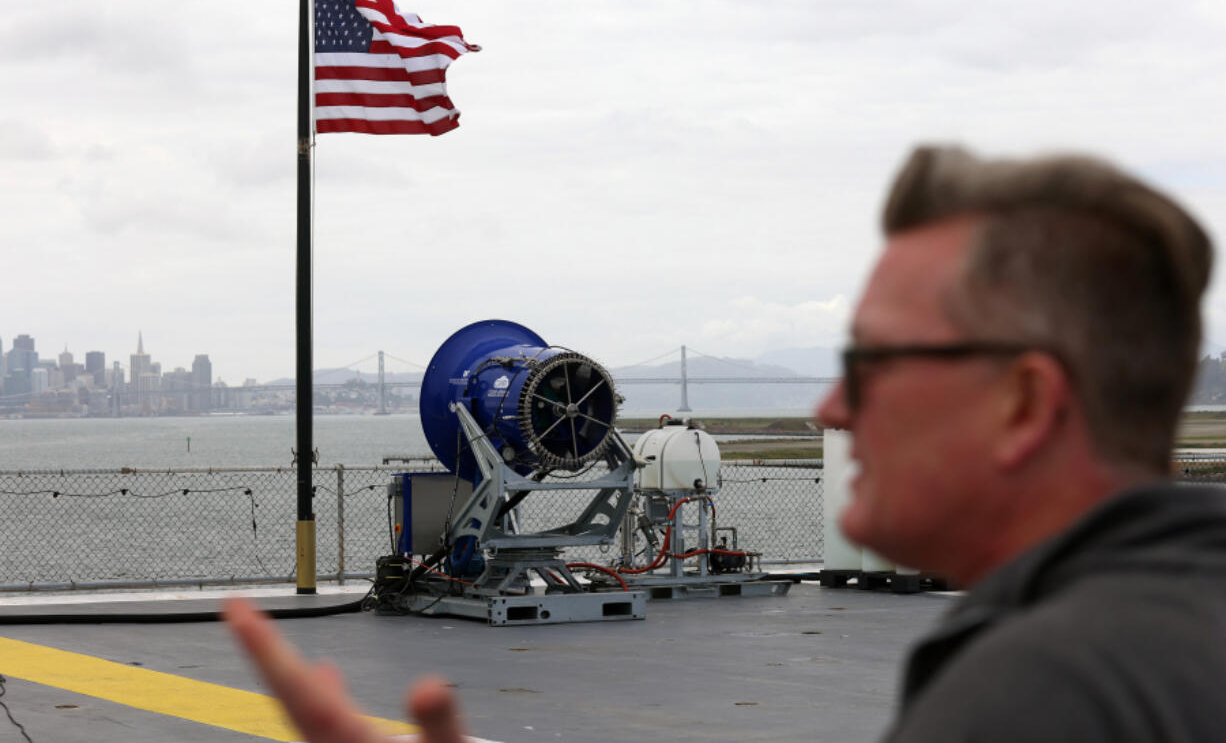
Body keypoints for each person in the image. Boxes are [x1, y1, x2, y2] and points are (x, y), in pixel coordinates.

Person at [226, 144, 1226, 742]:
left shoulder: (1041, 692)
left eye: (874, 365)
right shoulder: (1178, 609)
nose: (830, 408)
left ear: (1021, 402)